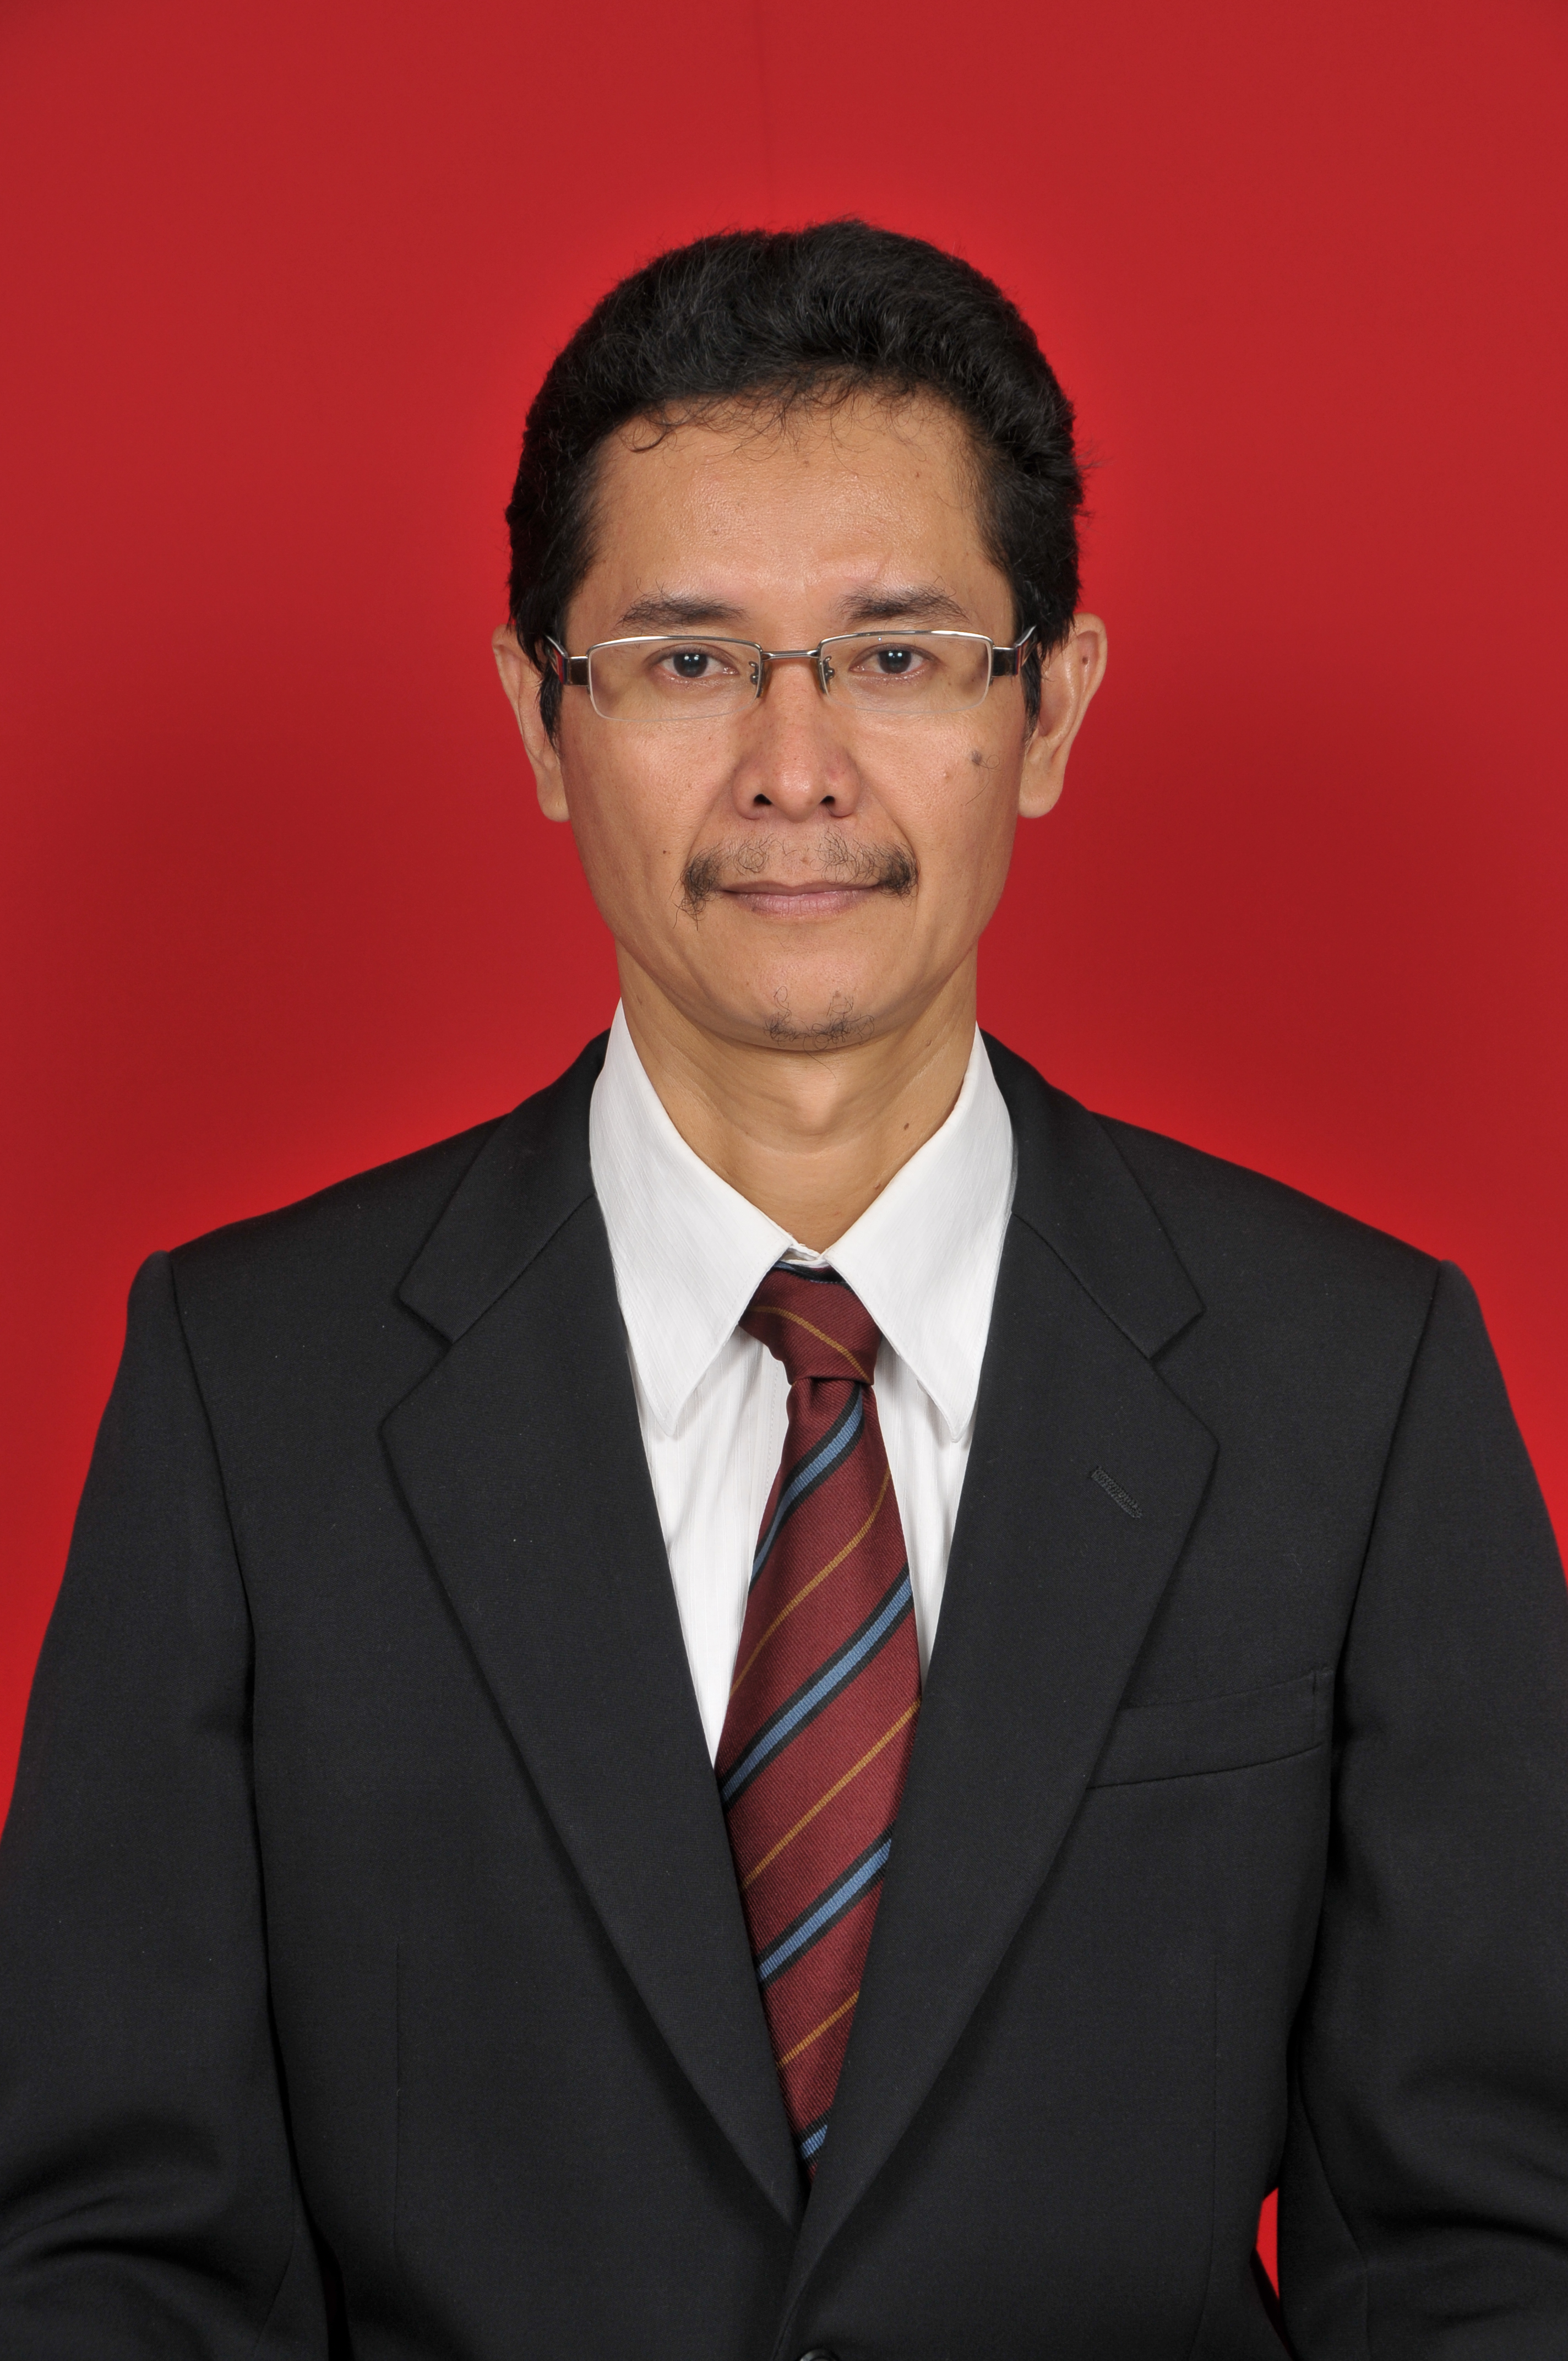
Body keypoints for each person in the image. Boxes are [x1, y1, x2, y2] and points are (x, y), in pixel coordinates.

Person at [1, 219, 1564, 2361]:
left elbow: (1488, 2249)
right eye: (686, 661)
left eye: (898, 655)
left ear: (1050, 708)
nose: (794, 766)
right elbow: (110, 2254)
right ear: (542, 719)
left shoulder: (1355, 1388)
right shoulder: (247, 1391)